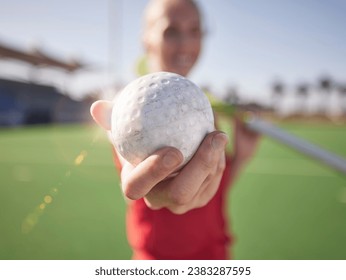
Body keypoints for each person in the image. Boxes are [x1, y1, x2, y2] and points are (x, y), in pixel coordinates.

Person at [90, 0, 259, 259]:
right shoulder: (125, 114)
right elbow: (138, 182)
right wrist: (145, 185)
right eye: (172, 31)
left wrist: (241, 158)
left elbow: (211, 190)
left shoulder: (205, 112)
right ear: (146, 40)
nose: (186, 44)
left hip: (216, 255)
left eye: (195, 31)